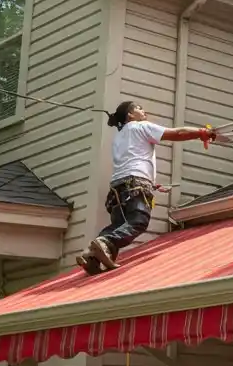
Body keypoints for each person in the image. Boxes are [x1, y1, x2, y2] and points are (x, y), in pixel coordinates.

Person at [77, 101, 214, 275]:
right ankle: (104, 244)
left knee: (120, 224)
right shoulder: (140, 127)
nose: (144, 111)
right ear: (130, 115)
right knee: (138, 221)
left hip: (118, 188)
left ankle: (92, 257)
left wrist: (151, 183)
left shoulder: (119, 136)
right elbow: (177, 133)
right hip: (135, 183)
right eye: (138, 108)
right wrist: (201, 132)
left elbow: (131, 160)